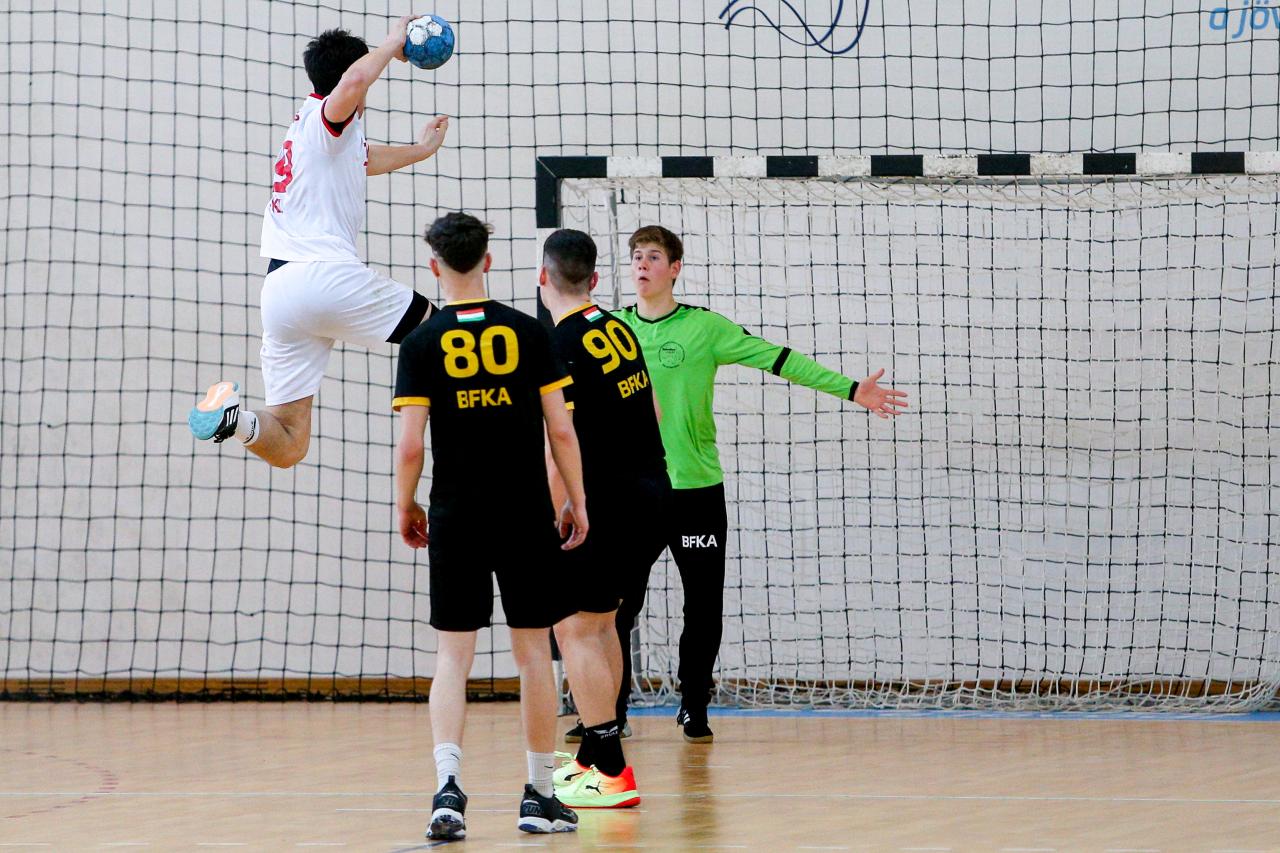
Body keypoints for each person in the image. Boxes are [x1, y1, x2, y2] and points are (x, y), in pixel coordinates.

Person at [614, 224, 909, 742]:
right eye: (637, 255)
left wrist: (849, 389)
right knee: (615, 609)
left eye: (654, 256)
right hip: (632, 492)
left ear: (674, 269)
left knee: (702, 606)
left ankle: (693, 705)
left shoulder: (704, 327)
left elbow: (777, 358)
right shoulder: (611, 330)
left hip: (696, 490)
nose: (642, 264)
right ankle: (607, 713)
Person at [393, 212, 585, 838]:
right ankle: (539, 794)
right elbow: (562, 431)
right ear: (489, 262)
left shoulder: (421, 343)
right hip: (524, 512)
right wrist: (577, 500)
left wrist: (406, 504)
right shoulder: (531, 332)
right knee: (533, 653)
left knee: (453, 656)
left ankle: (447, 793)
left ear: (434, 266)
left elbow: (410, 446)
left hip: (456, 513)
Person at [189, 18, 450, 468]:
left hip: (281, 293)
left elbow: (364, 158)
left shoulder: (316, 131)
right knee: (448, 336)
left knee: (290, 443)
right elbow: (354, 82)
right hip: (324, 276)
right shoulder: (329, 114)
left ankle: (235, 419)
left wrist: (421, 150)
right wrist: (392, 44)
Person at [537, 229, 668, 809]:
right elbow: (652, 409)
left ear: (544, 279)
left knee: (574, 629)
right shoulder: (618, 328)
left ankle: (612, 772)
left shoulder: (557, 343)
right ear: (593, 279)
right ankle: (593, 754)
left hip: (604, 503)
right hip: (651, 491)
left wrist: (555, 510)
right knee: (603, 623)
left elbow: (559, 439)